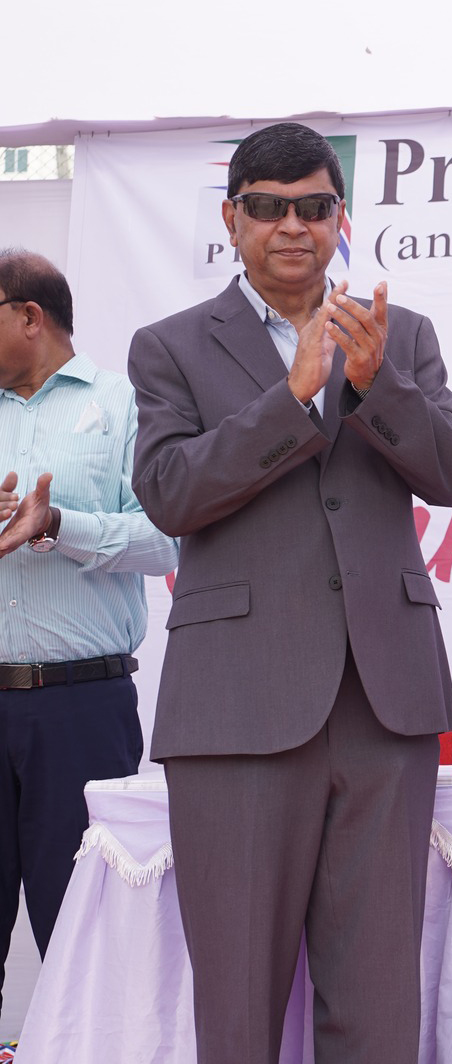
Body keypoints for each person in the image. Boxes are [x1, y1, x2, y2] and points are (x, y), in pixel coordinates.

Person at [128, 122, 452, 1064]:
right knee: (238, 1003)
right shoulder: (170, 346)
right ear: (231, 219)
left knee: (377, 1000)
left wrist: (374, 385)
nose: (293, 226)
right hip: (235, 705)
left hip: (384, 701)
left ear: (340, 218)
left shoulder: (399, 336)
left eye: (314, 207)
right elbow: (170, 493)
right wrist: (290, 398)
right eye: (269, 208)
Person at [0, 249, 178, 1013]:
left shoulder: (126, 404)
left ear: (29, 316)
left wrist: (58, 525)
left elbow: (167, 540)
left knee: (83, 931)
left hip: (79, 706)